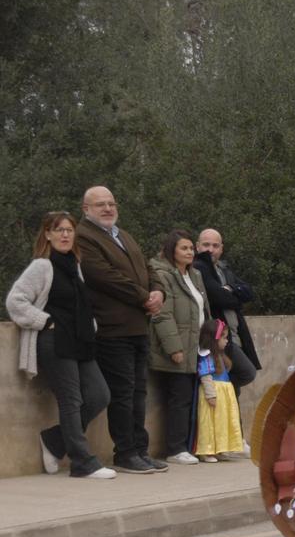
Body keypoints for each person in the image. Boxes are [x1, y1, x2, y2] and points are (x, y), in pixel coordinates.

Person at [6, 212, 114, 479]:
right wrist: (45, 321)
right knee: (71, 400)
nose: (65, 235)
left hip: (80, 341)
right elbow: (15, 301)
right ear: (47, 234)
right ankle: (82, 463)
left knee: (100, 395)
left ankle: (54, 441)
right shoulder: (42, 266)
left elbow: (78, 305)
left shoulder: (74, 264)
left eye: (69, 230)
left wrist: (91, 325)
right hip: (54, 342)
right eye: (59, 230)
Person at [76, 186, 167, 474]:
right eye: (100, 204)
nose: (107, 208)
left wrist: (158, 292)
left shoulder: (122, 235)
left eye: (111, 203)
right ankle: (125, 452)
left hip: (138, 326)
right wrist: (144, 297)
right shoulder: (84, 238)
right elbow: (105, 277)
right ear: (86, 209)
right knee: (122, 394)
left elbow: (148, 269)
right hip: (112, 329)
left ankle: (140, 449)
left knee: (139, 392)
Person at [148, 230, 210, 465]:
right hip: (177, 347)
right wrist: (174, 348)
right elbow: (162, 315)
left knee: (192, 396)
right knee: (179, 397)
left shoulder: (194, 275)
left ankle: (191, 444)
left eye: (191, 248)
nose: (189, 252)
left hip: (197, 345)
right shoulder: (163, 275)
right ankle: (175, 449)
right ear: (171, 250)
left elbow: (204, 308)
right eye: (184, 248)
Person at [194, 229, 260, 395]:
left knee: (234, 392)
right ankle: (221, 388)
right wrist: (235, 297)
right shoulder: (199, 267)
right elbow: (220, 299)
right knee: (247, 373)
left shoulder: (224, 269)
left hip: (235, 336)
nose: (211, 249)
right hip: (218, 338)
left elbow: (249, 292)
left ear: (221, 249)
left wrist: (229, 288)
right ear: (197, 246)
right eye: (206, 245)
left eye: (215, 245)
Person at [194, 319, 244, 462]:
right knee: (209, 423)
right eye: (223, 337)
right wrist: (210, 395)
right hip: (214, 392)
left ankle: (220, 448)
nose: (226, 340)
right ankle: (207, 450)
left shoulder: (221, 355)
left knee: (221, 422)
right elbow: (205, 375)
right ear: (214, 338)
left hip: (224, 392)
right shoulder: (206, 355)